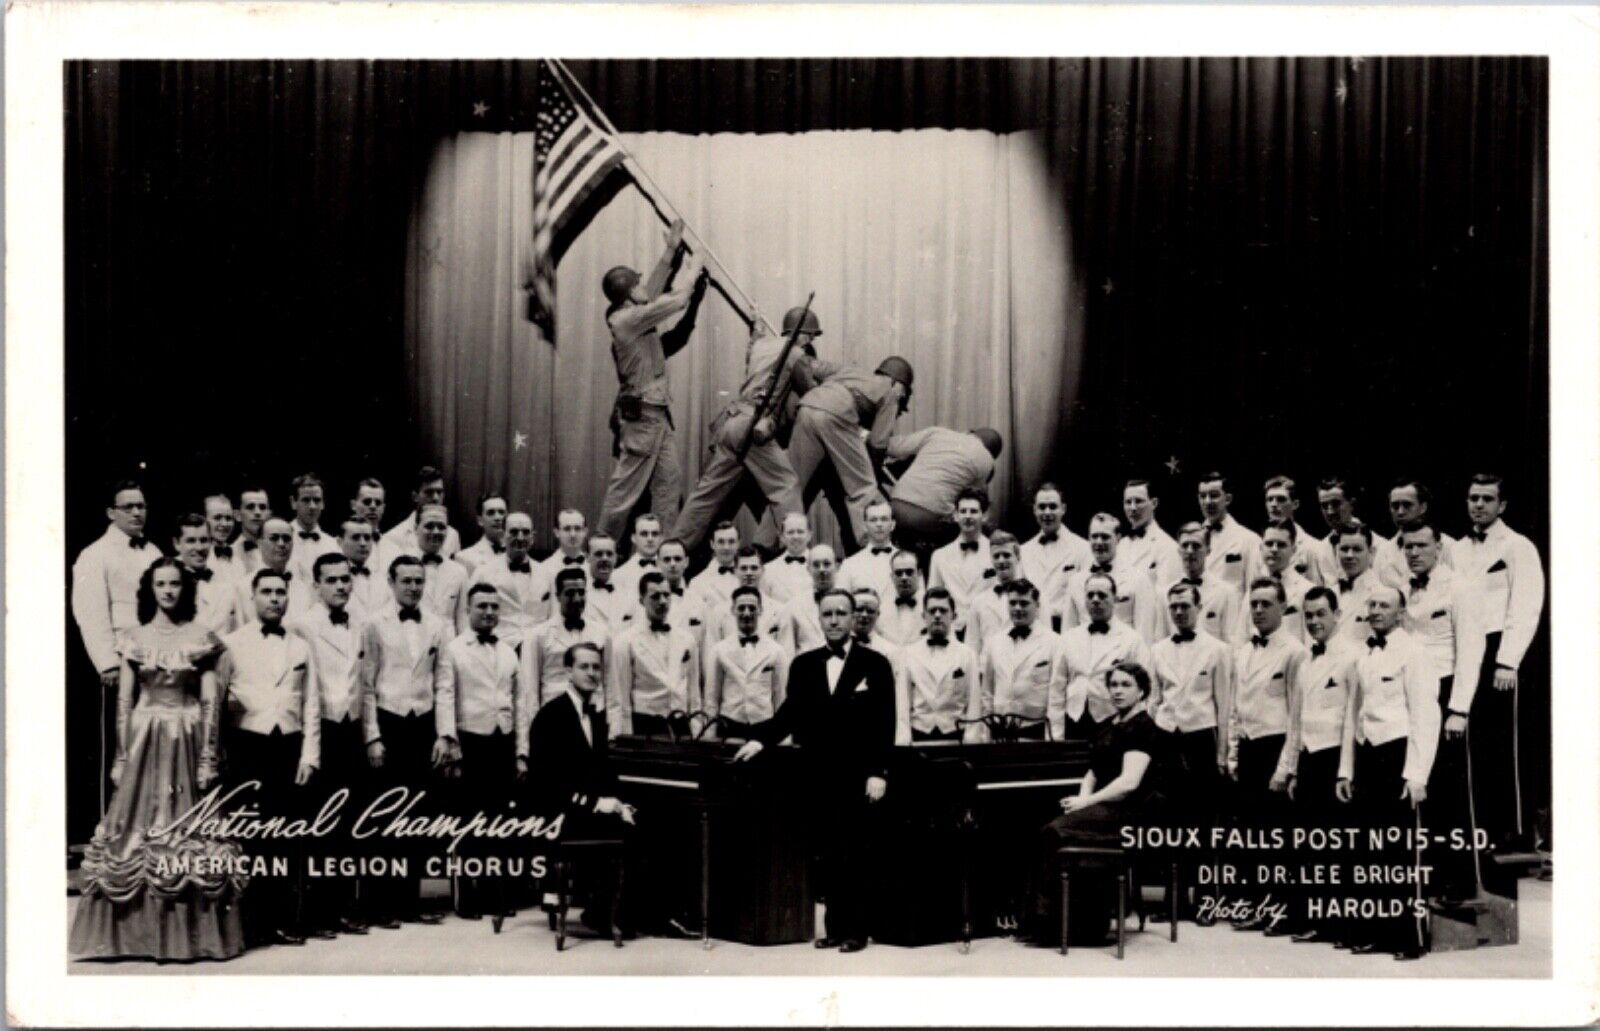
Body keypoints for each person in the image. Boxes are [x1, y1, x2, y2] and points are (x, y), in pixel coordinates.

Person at [69, 558, 247, 961]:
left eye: (174, 584)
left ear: (185, 588)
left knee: (188, 826)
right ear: (150, 589)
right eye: (160, 584)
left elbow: (210, 701)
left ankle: (193, 934)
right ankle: (130, 936)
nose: (168, 591)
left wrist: (208, 754)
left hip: (185, 733)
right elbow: (124, 702)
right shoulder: (134, 637)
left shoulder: (201, 637)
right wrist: (120, 755)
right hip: (146, 735)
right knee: (134, 826)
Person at [734, 590, 896, 953]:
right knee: (828, 852)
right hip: (818, 774)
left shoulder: (876, 663)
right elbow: (788, 714)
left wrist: (879, 772)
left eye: (842, 613)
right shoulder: (804, 664)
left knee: (856, 852)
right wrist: (761, 741)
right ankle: (836, 928)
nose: (835, 620)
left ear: (854, 618)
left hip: (859, 775)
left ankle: (858, 930)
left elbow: (885, 723)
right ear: (819, 619)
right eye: (828, 614)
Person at [216, 568, 324, 946]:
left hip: (288, 746)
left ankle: (284, 918)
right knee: (251, 837)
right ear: (253, 597)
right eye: (267, 592)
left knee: (286, 837)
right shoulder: (229, 644)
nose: (275, 598)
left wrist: (309, 757)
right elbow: (216, 702)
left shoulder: (299, 646)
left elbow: (311, 704)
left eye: (281, 592)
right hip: (247, 745)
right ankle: (251, 923)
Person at [1027, 662, 1165, 946]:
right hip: (1104, 806)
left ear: (1142, 692)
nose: (1117, 691)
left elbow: (1129, 783)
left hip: (1128, 812)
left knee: (1053, 832)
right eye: (1113, 684)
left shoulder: (1143, 727)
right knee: (1042, 823)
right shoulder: (1108, 726)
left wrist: (1087, 801)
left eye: (1126, 685)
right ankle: (1058, 923)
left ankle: (1075, 926)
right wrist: (1081, 802)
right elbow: (1093, 772)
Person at [1339, 586, 1436, 959]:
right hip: (1368, 755)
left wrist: (1417, 775)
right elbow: (1353, 713)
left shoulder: (1415, 653)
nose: (1377, 611)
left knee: (1400, 852)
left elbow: (1425, 715)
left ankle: (1411, 937)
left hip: (1398, 756)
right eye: (1372, 605)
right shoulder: (1363, 654)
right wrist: (1346, 770)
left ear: (1400, 613)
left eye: (1385, 605)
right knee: (1370, 851)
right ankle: (1376, 933)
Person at [1452, 472, 1545, 852]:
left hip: (1501, 651)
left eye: (1487, 499)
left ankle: (1517, 832)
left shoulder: (1518, 546)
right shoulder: (1457, 548)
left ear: (1502, 505)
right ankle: (1485, 829)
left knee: (1507, 742)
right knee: (1477, 741)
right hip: (1465, 647)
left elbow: (1526, 603)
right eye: (1473, 497)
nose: (1478, 505)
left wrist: (1508, 660)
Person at [669, 309, 814, 552]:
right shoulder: (796, 354)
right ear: (804, 336)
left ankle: (673, 550)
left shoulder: (760, 347)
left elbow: (755, 343)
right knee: (786, 486)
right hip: (751, 426)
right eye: (811, 337)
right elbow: (810, 391)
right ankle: (796, 555)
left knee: (705, 496)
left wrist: (756, 325)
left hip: (730, 424)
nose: (811, 343)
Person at [358, 554, 452, 926]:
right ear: (391, 582)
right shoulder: (373, 623)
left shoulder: (438, 624)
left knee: (416, 815)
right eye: (406, 580)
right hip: (388, 723)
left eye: (419, 580)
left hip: (423, 725)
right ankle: (380, 905)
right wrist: (372, 737)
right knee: (383, 816)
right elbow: (365, 685)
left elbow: (444, 681)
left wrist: (445, 734)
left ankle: (410, 902)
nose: (413, 587)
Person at [525, 643, 639, 934]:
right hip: (556, 813)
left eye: (596, 667)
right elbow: (546, 783)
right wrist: (596, 804)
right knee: (626, 832)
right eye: (584, 667)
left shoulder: (597, 717)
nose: (591, 673)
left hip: (582, 808)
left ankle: (614, 911)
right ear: (568, 672)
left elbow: (602, 772)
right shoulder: (550, 716)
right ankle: (605, 914)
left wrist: (620, 803)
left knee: (641, 823)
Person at [71, 479, 167, 825]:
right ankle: (108, 835)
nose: (138, 512)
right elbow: (90, 612)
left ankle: (146, 828)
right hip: (119, 667)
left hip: (156, 665)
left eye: (141, 506)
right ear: (111, 512)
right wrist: (108, 663)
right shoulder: (94, 555)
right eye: (129, 507)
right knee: (118, 749)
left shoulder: (154, 551)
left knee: (151, 744)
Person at [597, 250, 708, 540]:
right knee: (624, 492)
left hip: (657, 417)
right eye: (637, 284)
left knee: (668, 487)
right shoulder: (628, 320)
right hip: (644, 418)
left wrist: (671, 252)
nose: (643, 287)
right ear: (629, 294)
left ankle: (664, 554)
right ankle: (600, 549)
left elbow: (652, 293)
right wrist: (693, 268)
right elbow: (674, 300)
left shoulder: (632, 314)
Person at [288, 552, 371, 937]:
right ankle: (316, 913)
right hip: (319, 731)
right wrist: (312, 748)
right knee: (320, 827)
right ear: (316, 585)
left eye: (345, 579)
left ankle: (342, 908)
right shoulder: (301, 626)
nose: (340, 586)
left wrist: (371, 735)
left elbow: (365, 685)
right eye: (332, 580)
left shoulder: (361, 623)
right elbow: (305, 692)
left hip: (351, 732)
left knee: (349, 825)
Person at [1146, 580, 1232, 920]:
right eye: (1174, 607)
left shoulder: (1218, 650)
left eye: (1185, 606)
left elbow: (1224, 706)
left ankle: (1207, 901)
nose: (1180, 612)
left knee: (1205, 824)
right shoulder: (1158, 650)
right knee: (1172, 823)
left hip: (1202, 739)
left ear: (1199, 608)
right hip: (1168, 738)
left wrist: (1224, 754)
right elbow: (1154, 701)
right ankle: (1174, 901)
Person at [1225, 578, 1308, 931]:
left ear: (1283, 607)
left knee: (1278, 836)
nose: (1258, 610)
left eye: (1266, 604)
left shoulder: (1295, 651)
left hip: (1276, 749)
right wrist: (1232, 753)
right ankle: (1256, 904)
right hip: (1248, 747)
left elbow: (1297, 713)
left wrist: (1285, 767)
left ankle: (1281, 909)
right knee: (1251, 834)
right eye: (1254, 604)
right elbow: (1235, 707)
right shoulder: (1242, 651)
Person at [436, 583, 522, 920]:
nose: (488, 612)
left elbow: (521, 704)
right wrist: (449, 740)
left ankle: (494, 892)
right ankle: (466, 895)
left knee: (498, 820)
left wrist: (521, 751)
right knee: (468, 821)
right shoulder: (454, 649)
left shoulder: (508, 652)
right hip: (469, 740)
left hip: (502, 740)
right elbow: (445, 695)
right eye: (482, 606)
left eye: (494, 607)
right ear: (468, 610)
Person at [1282, 586, 1358, 944]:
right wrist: (1293, 768)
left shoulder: (1351, 658)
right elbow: (1296, 720)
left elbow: (1351, 722)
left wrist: (1345, 771)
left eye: (1320, 614)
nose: (1313, 621)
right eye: (1308, 615)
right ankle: (1312, 919)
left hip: (1334, 762)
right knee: (1309, 847)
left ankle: (1338, 924)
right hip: (1309, 760)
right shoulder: (1305, 661)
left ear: (1336, 614)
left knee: (1336, 848)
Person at [787, 356, 914, 551]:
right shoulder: (892, 392)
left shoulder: (847, 369)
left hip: (807, 408)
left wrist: (817, 395)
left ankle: (767, 547)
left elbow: (802, 363)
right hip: (838, 417)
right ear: (898, 383)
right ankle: (871, 548)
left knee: (791, 488)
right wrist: (872, 473)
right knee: (864, 489)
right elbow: (877, 445)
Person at [1051, 573, 1152, 741]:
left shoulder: (1132, 639)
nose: (1095, 600)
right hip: (1074, 721)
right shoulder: (1069, 638)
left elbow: (1145, 689)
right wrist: (1056, 733)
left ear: (1115, 598)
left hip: (1113, 721)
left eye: (1102, 595)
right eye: (1090, 595)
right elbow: (1057, 688)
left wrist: (1132, 728)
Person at [607, 572, 701, 738]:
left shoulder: (687, 639)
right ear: (641, 600)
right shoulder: (625, 641)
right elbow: (620, 697)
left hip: (680, 724)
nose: (663, 601)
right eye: (655, 596)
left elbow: (693, 693)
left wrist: (696, 729)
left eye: (666, 595)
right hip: (645, 724)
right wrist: (623, 736)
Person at [884, 426, 1002, 555]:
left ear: (970, 432)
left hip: (896, 506)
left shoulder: (938, 433)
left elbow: (893, 447)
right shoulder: (986, 461)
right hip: (931, 518)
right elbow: (971, 498)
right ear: (992, 454)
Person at [520, 567, 612, 733]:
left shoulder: (602, 632)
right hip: (554, 718)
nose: (577, 599)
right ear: (557, 596)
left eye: (581, 592)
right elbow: (530, 691)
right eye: (570, 593)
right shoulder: (537, 635)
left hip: (593, 715)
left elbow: (610, 683)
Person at [978, 579, 1064, 742]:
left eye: (1024, 603)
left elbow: (1056, 696)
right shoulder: (994, 642)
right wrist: (985, 736)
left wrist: (1054, 739)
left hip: (1035, 730)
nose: (1017, 608)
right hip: (1000, 732)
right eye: (1013, 603)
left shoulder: (1054, 642)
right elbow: (987, 693)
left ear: (1037, 607)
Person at [703, 586, 791, 740]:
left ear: (760, 610)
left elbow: (780, 697)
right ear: (733, 610)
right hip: (730, 726)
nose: (746, 613)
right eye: (741, 608)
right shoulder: (719, 651)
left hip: (764, 726)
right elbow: (711, 697)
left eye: (752, 608)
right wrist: (710, 736)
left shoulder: (776, 651)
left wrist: (782, 738)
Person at [894, 587, 978, 744]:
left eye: (943, 610)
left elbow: (973, 702)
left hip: (955, 736)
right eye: (932, 611)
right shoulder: (908, 653)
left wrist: (971, 742)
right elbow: (903, 703)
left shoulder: (967, 654)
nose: (937, 615)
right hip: (920, 735)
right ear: (923, 616)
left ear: (954, 615)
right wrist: (903, 741)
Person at [1062, 513, 1162, 644]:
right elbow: (1067, 633)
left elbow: (1144, 633)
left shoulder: (1138, 578)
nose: (1099, 542)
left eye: (1105, 537)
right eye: (1094, 536)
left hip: (1122, 656)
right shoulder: (1075, 581)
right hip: (1085, 656)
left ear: (1118, 538)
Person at [463, 512, 549, 650]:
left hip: (537, 648)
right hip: (498, 648)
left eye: (526, 532)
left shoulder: (546, 573)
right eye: (514, 532)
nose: (520, 537)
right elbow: (468, 613)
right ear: (503, 535)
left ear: (532, 537)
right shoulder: (483, 572)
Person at [1019, 482, 1092, 631]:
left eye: (1053, 506)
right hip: (1034, 629)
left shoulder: (1082, 548)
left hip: (1068, 628)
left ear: (1063, 509)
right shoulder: (1023, 551)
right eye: (1042, 507)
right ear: (1034, 510)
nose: (1047, 512)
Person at [1158, 522, 1245, 646]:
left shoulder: (1226, 592)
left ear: (1208, 550)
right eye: (1185, 545)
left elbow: (1231, 642)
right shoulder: (1164, 594)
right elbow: (1160, 640)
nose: (1189, 551)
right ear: (1178, 550)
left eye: (1196, 546)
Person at [927, 487, 994, 640]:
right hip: (952, 632)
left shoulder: (995, 553)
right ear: (955, 516)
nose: (968, 516)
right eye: (963, 511)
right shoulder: (940, 556)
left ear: (984, 516)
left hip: (986, 630)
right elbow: (934, 597)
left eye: (973, 511)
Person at [1378, 478, 1457, 591]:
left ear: (1423, 507)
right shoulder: (1384, 550)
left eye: (1407, 505)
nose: (1400, 512)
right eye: (1395, 506)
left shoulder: (1448, 545)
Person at [704, 545, 785, 655]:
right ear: (735, 570)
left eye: (754, 568)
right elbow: (712, 652)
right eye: (743, 568)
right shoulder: (719, 611)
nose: (749, 573)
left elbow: (784, 652)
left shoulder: (778, 610)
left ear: (762, 570)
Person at [232, 517, 314, 624]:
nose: (281, 544)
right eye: (274, 538)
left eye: (286, 538)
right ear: (259, 543)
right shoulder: (243, 587)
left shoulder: (303, 588)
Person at [1196, 472, 1262, 597]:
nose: (1208, 501)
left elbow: (1254, 589)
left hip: (1232, 613)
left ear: (1228, 499)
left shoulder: (1249, 539)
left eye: (1214, 495)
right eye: (1203, 496)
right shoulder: (1192, 539)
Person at [1250, 475, 1324, 586]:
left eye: (1281, 499)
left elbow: (1316, 587)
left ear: (1295, 504)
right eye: (1269, 499)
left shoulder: (1312, 547)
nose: (1274, 504)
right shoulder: (1258, 546)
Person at [174, 512, 239, 635]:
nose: (199, 548)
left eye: (204, 540)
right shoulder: (164, 579)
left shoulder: (224, 581)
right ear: (177, 543)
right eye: (191, 541)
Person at [1250, 521, 1315, 645]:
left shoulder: (1307, 590)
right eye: (1269, 544)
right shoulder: (1253, 589)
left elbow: (1311, 642)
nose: (1274, 549)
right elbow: (1241, 636)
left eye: (1281, 545)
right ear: (1261, 548)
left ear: (1293, 549)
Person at [382, 465, 462, 560]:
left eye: (439, 492)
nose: (435, 498)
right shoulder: (394, 537)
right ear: (415, 496)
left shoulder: (452, 535)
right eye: (429, 492)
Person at [965, 530, 1024, 658]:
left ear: (1017, 556)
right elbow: (971, 647)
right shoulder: (979, 601)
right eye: (996, 556)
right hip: (987, 671)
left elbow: (1045, 643)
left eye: (1006, 555)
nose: (1001, 560)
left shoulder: (1036, 596)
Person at [1119, 479, 1183, 589]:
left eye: (1139, 501)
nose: (1133, 508)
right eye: (1128, 502)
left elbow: (1167, 595)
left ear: (1154, 503)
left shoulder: (1168, 546)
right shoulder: (1120, 545)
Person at [413, 505, 470, 627]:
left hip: (447, 644)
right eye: (429, 526)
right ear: (416, 528)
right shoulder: (401, 566)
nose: (436, 531)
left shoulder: (459, 571)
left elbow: (462, 618)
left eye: (441, 527)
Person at [776, 545, 838, 656]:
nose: (822, 569)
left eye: (827, 564)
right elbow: (787, 651)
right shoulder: (794, 606)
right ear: (808, 569)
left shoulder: (850, 602)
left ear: (836, 566)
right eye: (816, 565)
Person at [836, 500, 899, 606]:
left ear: (893, 524)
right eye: (873, 520)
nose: (879, 524)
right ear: (865, 525)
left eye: (884, 519)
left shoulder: (908, 561)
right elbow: (841, 604)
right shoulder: (850, 564)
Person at [1330, 520, 1384, 644]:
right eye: (1344, 549)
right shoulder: (1331, 592)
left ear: (1371, 552)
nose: (1349, 555)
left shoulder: (1381, 594)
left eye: (1357, 549)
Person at [286, 473, 340, 584]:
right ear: (293, 502)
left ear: (323, 503)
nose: (312, 506)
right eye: (306, 500)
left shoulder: (333, 545)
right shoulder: (280, 540)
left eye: (317, 500)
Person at [338, 516, 392, 621]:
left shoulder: (384, 578)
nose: (363, 543)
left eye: (367, 538)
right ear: (340, 542)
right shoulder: (330, 578)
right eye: (356, 537)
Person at [687, 521, 741, 615]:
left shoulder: (749, 576)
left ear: (738, 544)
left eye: (731, 541)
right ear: (712, 544)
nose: (726, 547)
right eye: (721, 542)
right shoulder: (697, 583)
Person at [875, 550, 926, 649]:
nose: (904, 577)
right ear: (892, 577)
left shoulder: (932, 608)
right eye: (898, 573)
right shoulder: (880, 610)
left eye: (909, 572)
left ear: (919, 574)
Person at [762, 512, 815, 605]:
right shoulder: (768, 570)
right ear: (782, 537)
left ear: (809, 535)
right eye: (790, 532)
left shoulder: (822, 565)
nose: (795, 536)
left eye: (800, 531)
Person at [581, 533, 631, 633]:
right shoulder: (579, 591)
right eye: (599, 554)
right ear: (587, 557)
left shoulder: (628, 591)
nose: (605, 558)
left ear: (616, 558)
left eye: (609, 554)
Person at [613, 512, 666, 601]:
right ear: (633, 538)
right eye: (644, 534)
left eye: (655, 534)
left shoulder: (669, 569)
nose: (650, 539)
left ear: (661, 538)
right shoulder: (620, 574)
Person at [455, 492, 510, 574]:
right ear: (480, 520)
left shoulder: (517, 554)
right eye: (491, 513)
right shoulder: (464, 557)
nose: (498, 518)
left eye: (501, 512)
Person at [536, 507, 590, 585]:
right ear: (556, 532)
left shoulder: (593, 566)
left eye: (577, 528)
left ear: (585, 532)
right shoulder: (544, 569)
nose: (573, 535)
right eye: (567, 529)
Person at [230, 484, 273, 579]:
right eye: (250, 507)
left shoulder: (280, 550)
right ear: (237, 515)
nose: (257, 512)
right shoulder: (229, 554)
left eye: (262, 507)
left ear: (269, 515)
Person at [203, 492, 240, 570]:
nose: (224, 524)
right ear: (204, 520)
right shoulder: (193, 559)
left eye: (228, 518)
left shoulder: (239, 558)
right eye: (217, 518)